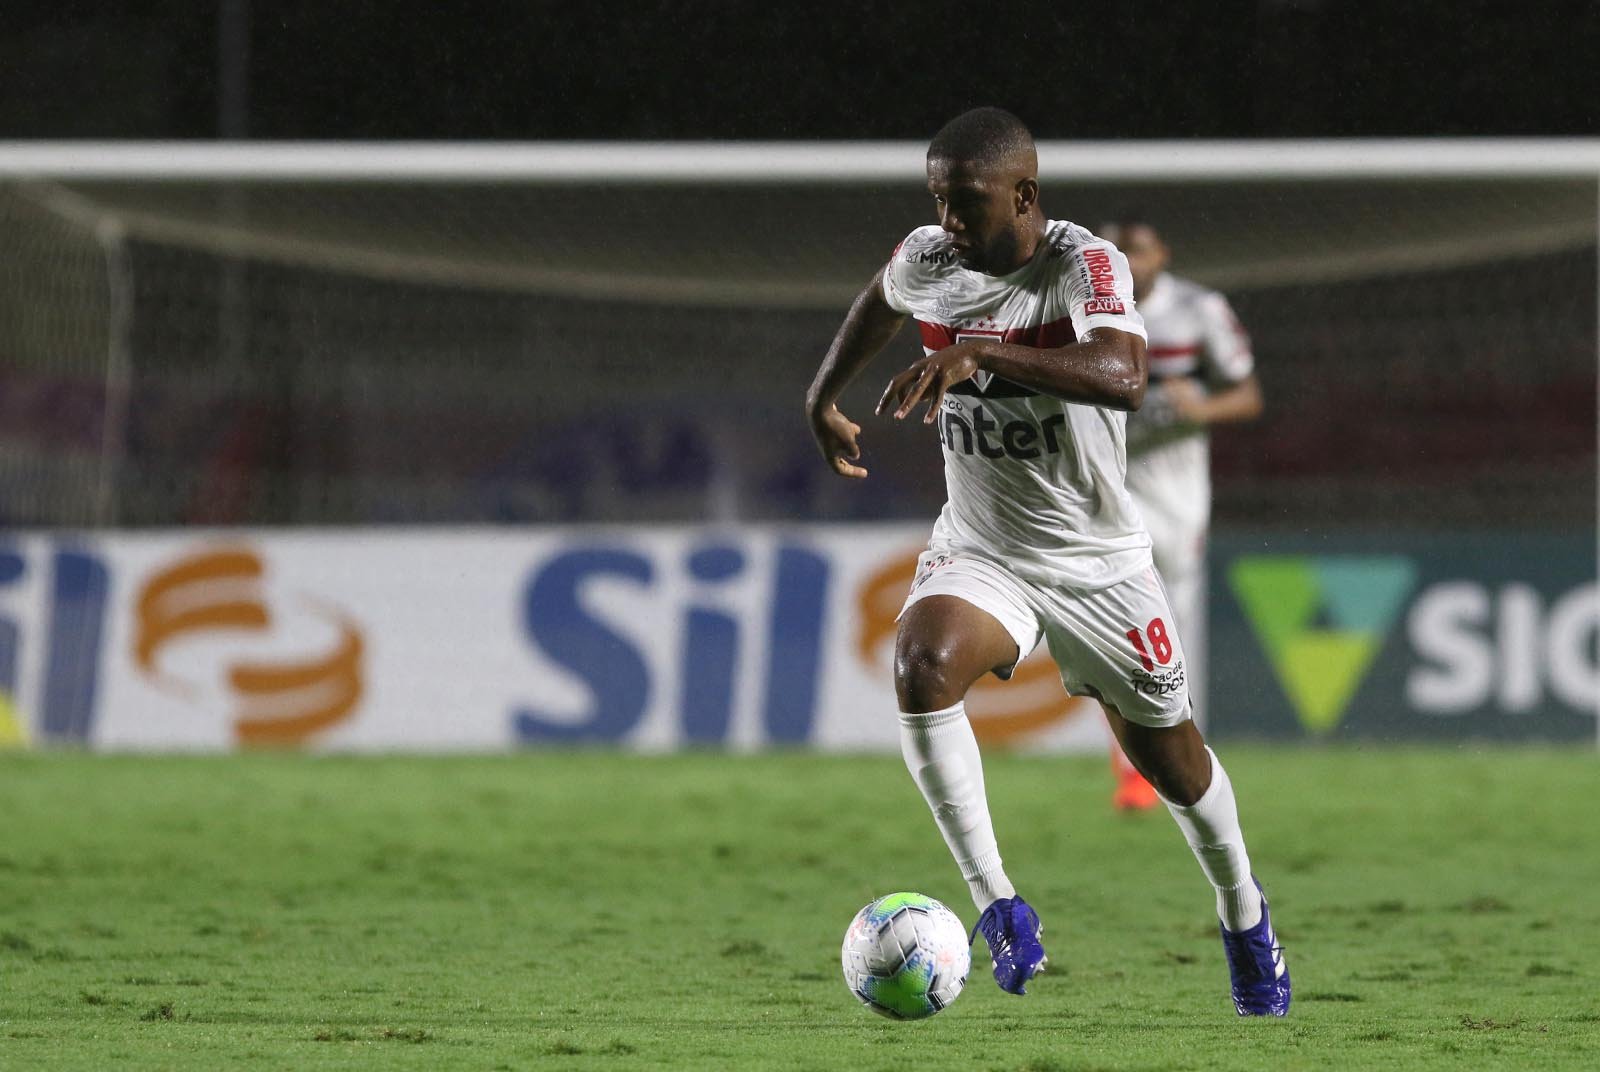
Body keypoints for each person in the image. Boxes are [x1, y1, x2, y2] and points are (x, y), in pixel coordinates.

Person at [803, 107, 1289, 1016]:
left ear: (1024, 194)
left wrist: (978, 355)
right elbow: (882, 294)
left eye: (969, 203)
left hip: (1100, 562)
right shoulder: (933, 258)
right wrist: (822, 393)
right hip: (985, 547)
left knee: (1175, 765)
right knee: (921, 661)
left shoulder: (1084, 264)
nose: (950, 222)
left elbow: (1124, 376)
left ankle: (1244, 912)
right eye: (939, 202)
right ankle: (998, 906)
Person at [1095, 218, 1264, 812]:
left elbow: (1248, 395)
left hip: (1178, 492)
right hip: (1106, 486)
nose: (1129, 262)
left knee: (1177, 627)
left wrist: (1202, 406)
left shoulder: (1199, 309)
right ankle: (1134, 772)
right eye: (1117, 251)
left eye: (1138, 249)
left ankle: (1185, 756)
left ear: (1161, 253)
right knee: (1121, 624)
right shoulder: (1080, 304)